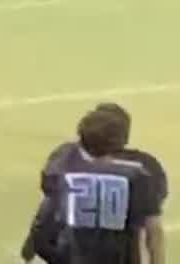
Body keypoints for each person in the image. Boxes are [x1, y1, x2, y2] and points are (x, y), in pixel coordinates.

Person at [24, 103, 167, 264]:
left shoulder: (64, 158)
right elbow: (153, 230)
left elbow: (49, 205)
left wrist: (32, 242)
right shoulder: (140, 170)